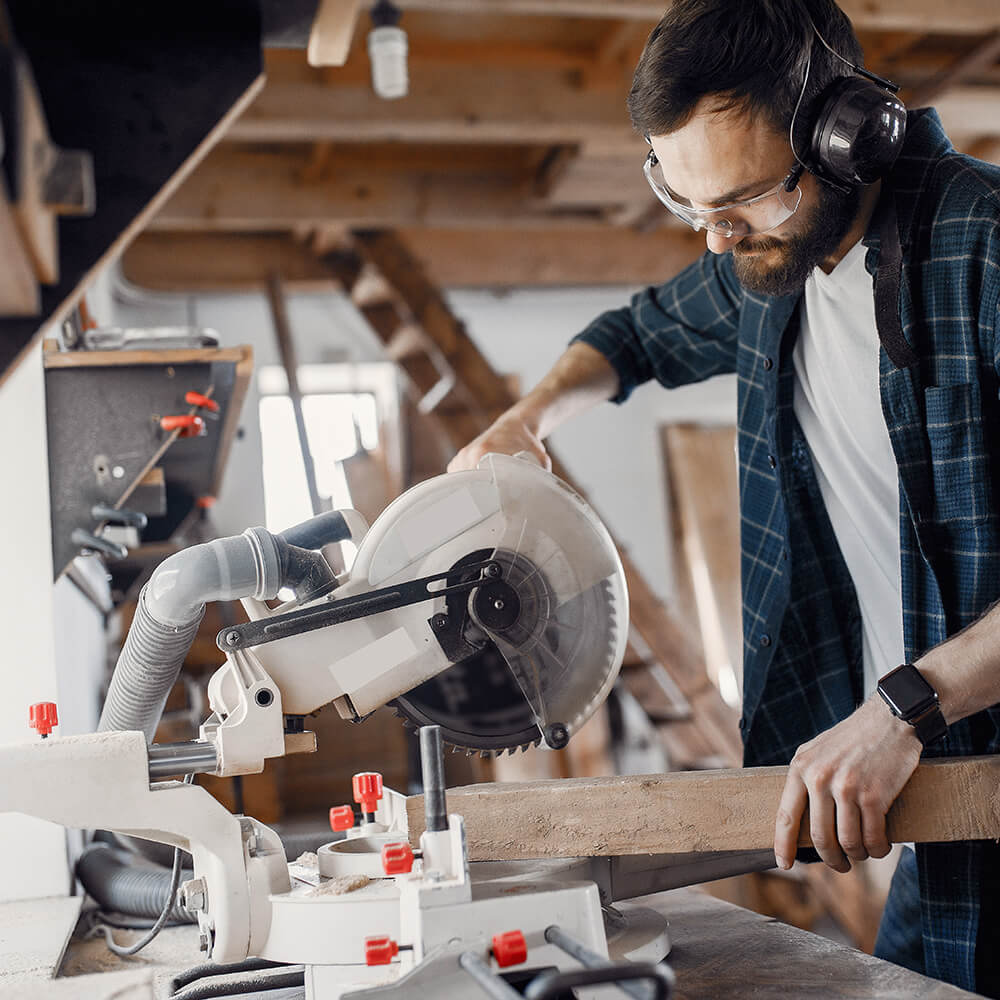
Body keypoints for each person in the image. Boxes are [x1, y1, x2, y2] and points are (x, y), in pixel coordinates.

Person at [447, 0, 1000, 994]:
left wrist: (905, 707)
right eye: (685, 203)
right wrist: (528, 419)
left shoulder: (984, 247)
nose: (712, 239)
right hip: (951, 820)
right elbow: (636, 335)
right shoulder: (765, 267)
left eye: (741, 199)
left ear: (845, 137)